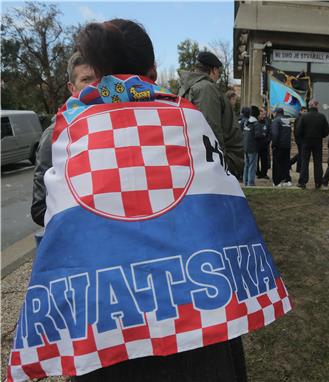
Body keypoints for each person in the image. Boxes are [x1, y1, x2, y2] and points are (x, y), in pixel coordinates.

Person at [35, 19, 262, 381]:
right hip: (194, 311)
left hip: (106, 318)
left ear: (98, 73)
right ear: (153, 72)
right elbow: (223, 208)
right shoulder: (187, 118)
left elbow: (53, 220)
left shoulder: (67, 131)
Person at [31, 51, 96, 226]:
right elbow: (39, 207)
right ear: (71, 87)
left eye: (99, 79)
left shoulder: (114, 123)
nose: (93, 86)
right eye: (86, 79)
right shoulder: (54, 133)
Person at [178, 51, 243, 177]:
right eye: (218, 72)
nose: (218, 77)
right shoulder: (206, 89)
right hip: (213, 163)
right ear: (213, 70)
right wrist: (221, 163)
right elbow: (211, 128)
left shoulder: (188, 88)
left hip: (200, 160)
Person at [295, 100, 329, 188]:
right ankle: (318, 182)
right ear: (316, 106)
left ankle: (302, 182)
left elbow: (298, 131)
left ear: (309, 106)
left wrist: (303, 137)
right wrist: (320, 135)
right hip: (318, 141)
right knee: (318, 162)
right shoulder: (322, 117)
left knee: (304, 162)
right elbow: (326, 131)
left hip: (306, 141)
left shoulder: (304, 116)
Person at [270, 108, 292, 187]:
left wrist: (274, 145)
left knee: (277, 164)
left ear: (276, 113)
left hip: (279, 146)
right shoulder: (287, 121)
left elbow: (275, 134)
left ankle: (277, 182)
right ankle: (287, 180)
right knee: (286, 163)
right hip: (287, 145)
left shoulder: (276, 121)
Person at [243, 106, 262, 187]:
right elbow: (258, 136)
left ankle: (246, 181)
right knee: (252, 166)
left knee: (246, 165)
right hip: (253, 147)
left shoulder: (246, 122)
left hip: (245, 147)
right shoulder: (256, 123)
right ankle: (250, 183)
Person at [256, 106, 271, 179]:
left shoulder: (268, 121)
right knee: (256, 160)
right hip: (257, 144)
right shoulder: (255, 121)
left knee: (265, 160)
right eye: (262, 114)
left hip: (265, 144)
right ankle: (257, 173)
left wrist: (268, 140)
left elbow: (270, 131)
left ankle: (264, 173)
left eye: (264, 114)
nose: (263, 116)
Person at [290, 106, 307, 172]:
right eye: (304, 111)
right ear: (300, 111)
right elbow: (297, 130)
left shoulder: (302, 118)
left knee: (301, 153)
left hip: (301, 139)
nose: (305, 113)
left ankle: (290, 163)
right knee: (301, 153)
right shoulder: (299, 118)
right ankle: (299, 168)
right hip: (300, 139)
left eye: (306, 111)